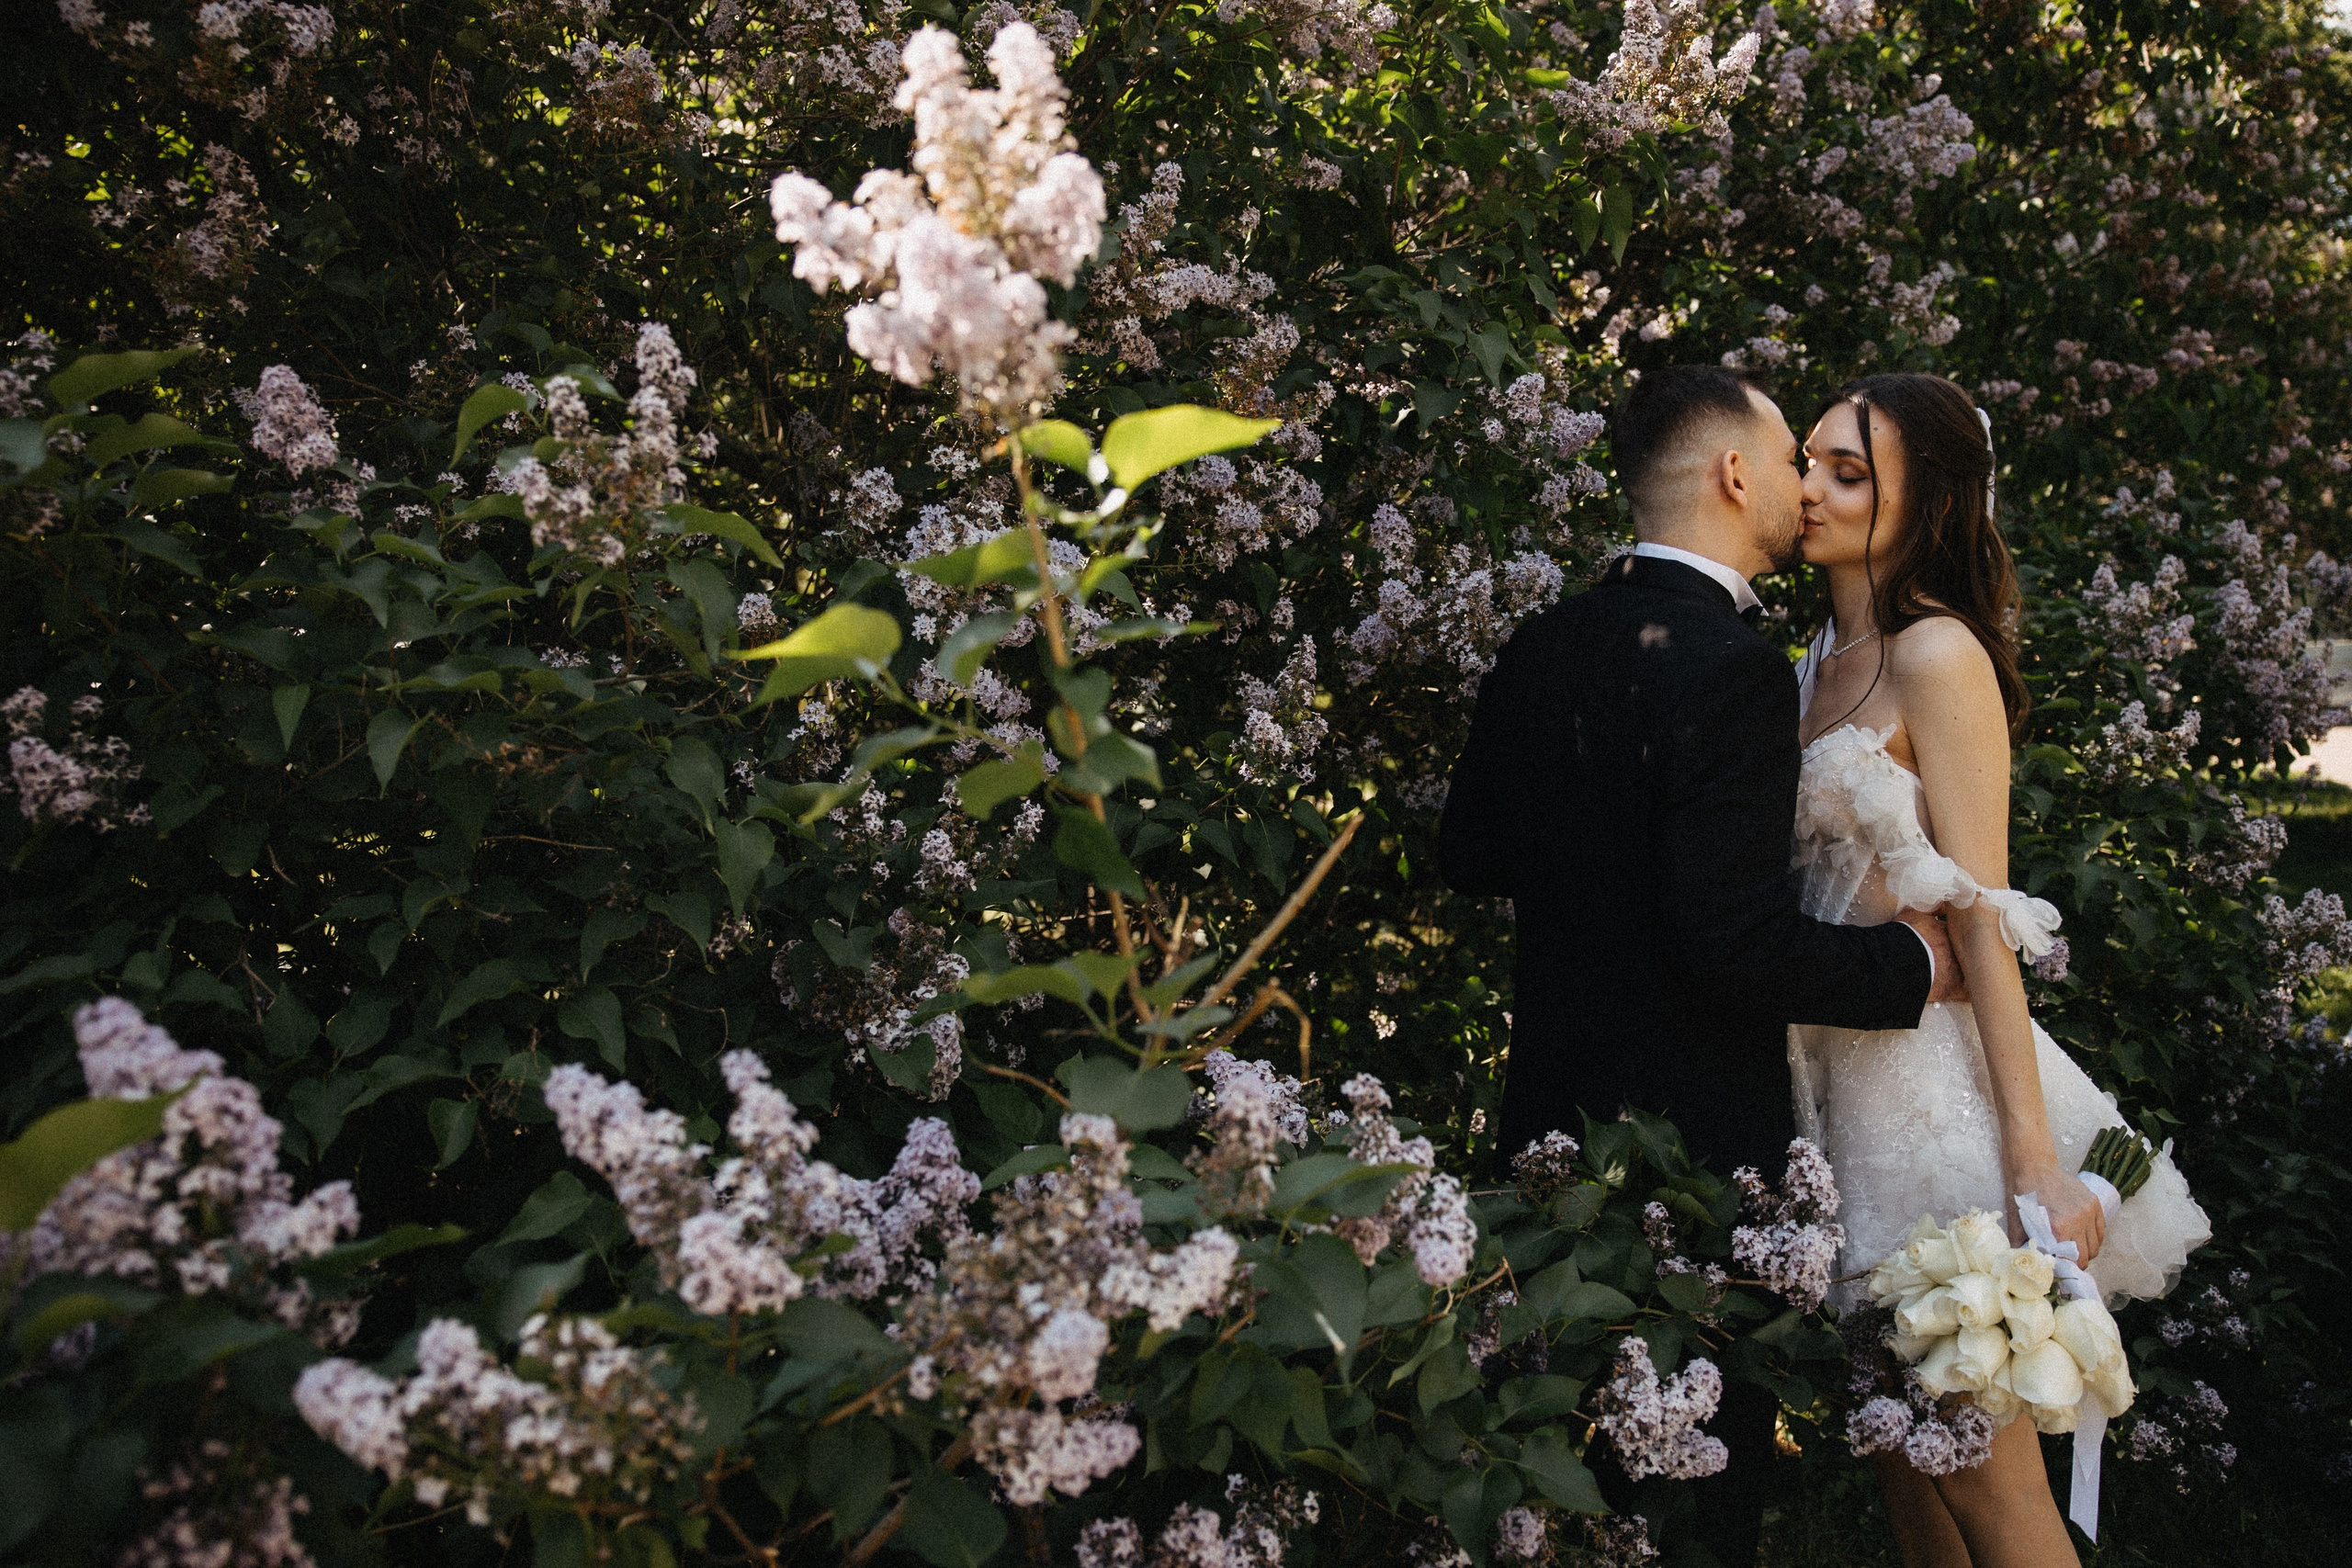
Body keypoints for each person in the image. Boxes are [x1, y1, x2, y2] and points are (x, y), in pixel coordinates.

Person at [1438, 363, 1965, 1565]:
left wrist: (1600, 876)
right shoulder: (1727, 668)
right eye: (1790, 460)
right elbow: (1733, 945)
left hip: (1547, 1127)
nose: (1800, 486)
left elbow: (1467, 851)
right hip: (1694, 1158)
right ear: (1736, 475)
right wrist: (1907, 968)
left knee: (1561, 1470)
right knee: (1689, 1497)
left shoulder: (1544, 638)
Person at [1788, 372, 2209, 1568]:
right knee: (1908, 1479)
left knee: (1994, 1492)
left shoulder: (1937, 654)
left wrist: (2031, 1158)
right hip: (1825, 1100)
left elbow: (1982, 912)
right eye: (1809, 460)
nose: (1809, 486)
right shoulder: (1811, 661)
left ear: (1928, 503)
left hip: (1933, 1107)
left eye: (1849, 471)